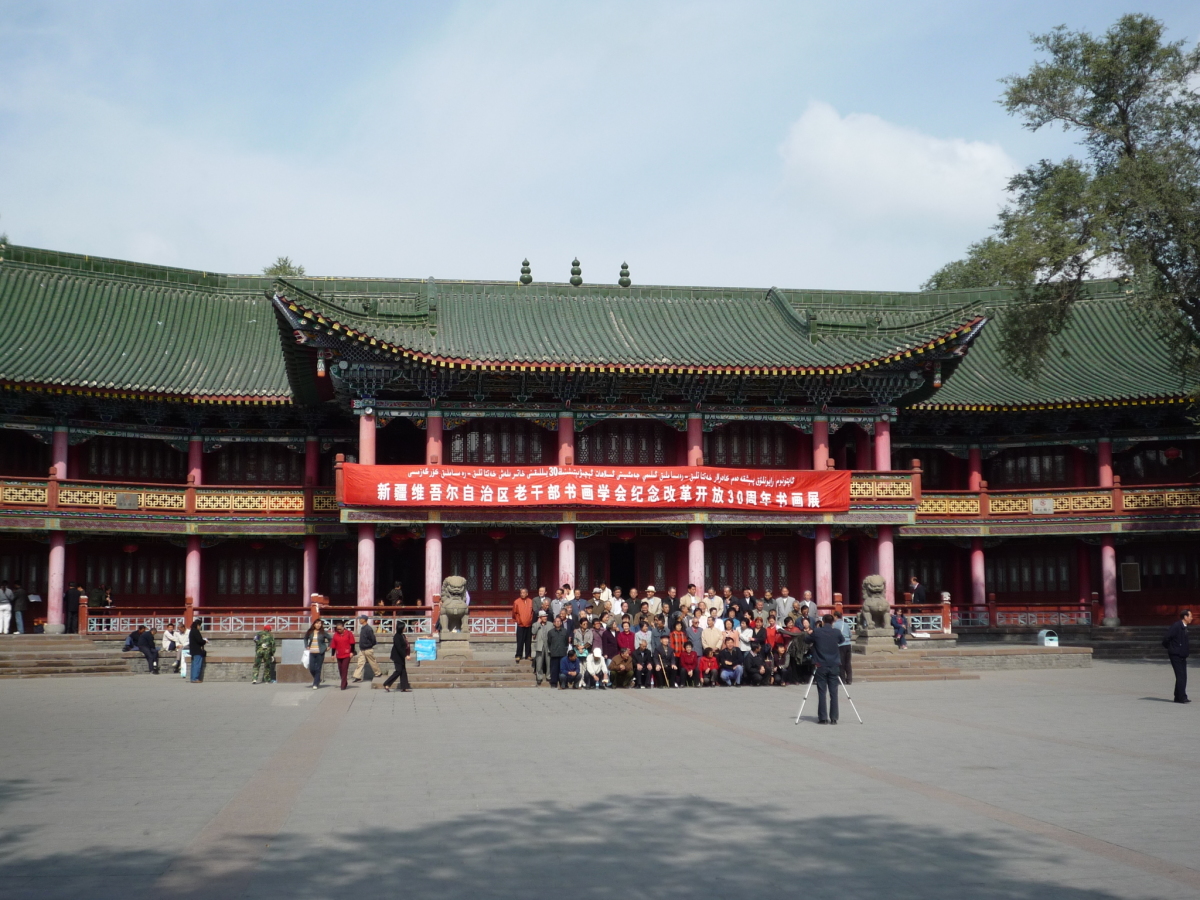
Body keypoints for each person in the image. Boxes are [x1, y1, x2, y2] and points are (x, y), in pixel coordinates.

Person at [806, 615, 843, 724]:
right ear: (832, 622)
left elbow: (806, 640)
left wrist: (809, 633)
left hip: (821, 664)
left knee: (822, 692)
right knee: (834, 693)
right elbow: (842, 640)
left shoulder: (817, 631)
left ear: (822, 621)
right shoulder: (836, 632)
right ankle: (834, 718)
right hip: (834, 664)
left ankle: (823, 718)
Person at [1163, 609, 1192, 703]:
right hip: (1176, 655)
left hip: (1182, 655)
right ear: (1185, 617)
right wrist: (1172, 648)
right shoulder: (1176, 626)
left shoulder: (1184, 627)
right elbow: (1166, 638)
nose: (1191, 618)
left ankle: (1178, 696)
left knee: (1183, 676)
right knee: (1180, 676)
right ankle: (1182, 697)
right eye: (1190, 616)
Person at [351, 615, 381, 682]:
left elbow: (373, 639)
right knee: (360, 663)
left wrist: (369, 645)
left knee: (372, 662)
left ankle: (378, 673)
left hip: (368, 649)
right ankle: (357, 676)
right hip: (362, 649)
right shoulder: (362, 628)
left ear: (364, 620)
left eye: (361, 619)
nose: (359, 620)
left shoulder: (368, 628)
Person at [304, 619, 330, 689]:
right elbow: (305, 638)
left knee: (318, 668)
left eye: (320, 623)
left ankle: (315, 683)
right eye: (317, 623)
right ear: (314, 624)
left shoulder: (323, 632)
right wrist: (306, 645)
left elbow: (330, 639)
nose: (318, 625)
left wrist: (329, 646)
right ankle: (318, 679)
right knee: (311, 668)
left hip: (320, 652)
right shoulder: (310, 631)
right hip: (312, 652)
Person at [330, 621, 356, 690]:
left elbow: (352, 643)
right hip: (339, 654)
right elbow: (333, 645)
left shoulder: (349, 633)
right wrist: (332, 654)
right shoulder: (335, 635)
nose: (339, 630)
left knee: (344, 669)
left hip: (346, 653)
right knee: (340, 669)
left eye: (340, 629)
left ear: (343, 627)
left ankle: (343, 684)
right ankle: (345, 682)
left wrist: (352, 652)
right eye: (337, 629)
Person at [546, 615, 571, 688]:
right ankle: (553, 683)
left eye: (559, 621)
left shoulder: (565, 631)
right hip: (554, 653)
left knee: (563, 669)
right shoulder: (550, 632)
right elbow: (549, 642)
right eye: (556, 621)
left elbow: (566, 642)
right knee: (554, 669)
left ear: (561, 623)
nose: (557, 623)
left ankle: (563, 683)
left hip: (563, 653)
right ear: (554, 623)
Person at [511, 588, 534, 662]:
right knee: (520, 641)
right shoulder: (517, 602)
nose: (522, 594)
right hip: (520, 625)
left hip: (529, 624)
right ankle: (518, 655)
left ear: (527, 593)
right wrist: (518, 620)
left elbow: (533, 612)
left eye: (524, 593)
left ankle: (528, 655)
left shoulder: (531, 601)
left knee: (528, 641)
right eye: (521, 593)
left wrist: (530, 620)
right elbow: (514, 613)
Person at [531, 608, 552, 685]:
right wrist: (538, 623)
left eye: (546, 616)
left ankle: (549, 676)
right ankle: (539, 677)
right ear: (540, 617)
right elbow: (533, 632)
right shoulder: (535, 624)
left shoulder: (550, 624)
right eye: (543, 616)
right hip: (540, 645)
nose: (545, 617)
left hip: (548, 645)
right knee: (539, 662)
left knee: (548, 662)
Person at [833, 611, 854, 685]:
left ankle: (842, 679)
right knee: (848, 662)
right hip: (848, 644)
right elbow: (850, 634)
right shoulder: (846, 624)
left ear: (836, 616)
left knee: (841, 662)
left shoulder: (835, 625)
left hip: (841, 645)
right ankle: (849, 679)